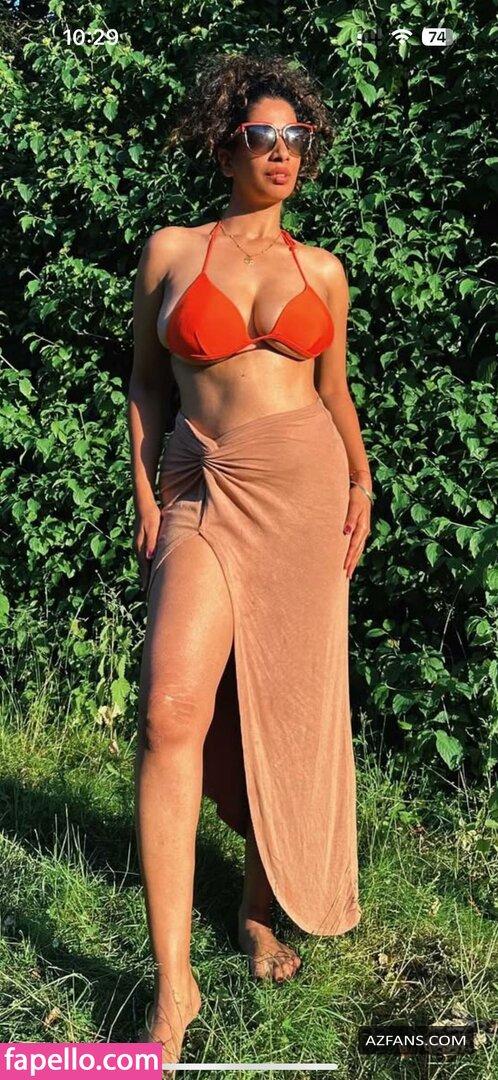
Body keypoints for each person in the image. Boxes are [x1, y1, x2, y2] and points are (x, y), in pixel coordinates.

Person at [129, 53, 373, 1071]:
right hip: (204, 486)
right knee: (170, 708)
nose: (283, 153)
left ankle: (260, 907)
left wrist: (363, 483)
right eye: (263, 136)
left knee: (288, 705)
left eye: (297, 138)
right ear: (226, 146)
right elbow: (147, 383)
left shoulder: (325, 272)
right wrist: (146, 493)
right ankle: (172, 986)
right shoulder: (173, 251)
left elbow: (333, 391)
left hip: (305, 492)